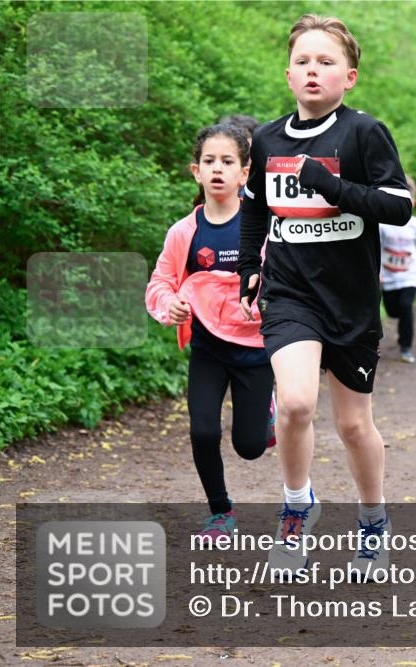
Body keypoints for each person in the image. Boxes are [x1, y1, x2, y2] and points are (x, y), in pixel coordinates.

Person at [237, 14, 412, 581]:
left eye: (327, 62)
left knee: (354, 426)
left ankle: (372, 523)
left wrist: (330, 184)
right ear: (289, 74)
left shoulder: (363, 133)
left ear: (350, 76)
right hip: (289, 292)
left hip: (351, 299)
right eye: (305, 62)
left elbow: (397, 207)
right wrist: (247, 268)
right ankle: (295, 508)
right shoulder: (265, 139)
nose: (315, 70)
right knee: (293, 404)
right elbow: (256, 211)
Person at [145, 123, 276, 544]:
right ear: (195, 172)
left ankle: (267, 409)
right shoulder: (184, 232)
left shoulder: (262, 227)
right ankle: (220, 512)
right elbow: (160, 283)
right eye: (209, 161)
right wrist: (171, 305)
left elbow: (286, 276)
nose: (217, 169)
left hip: (256, 350)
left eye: (227, 161)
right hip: (208, 347)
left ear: (245, 172)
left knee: (251, 447)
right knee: (202, 430)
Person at [379, 175, 416, 363]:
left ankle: (405, 347)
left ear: (413, 203)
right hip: (388, 275)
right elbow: (375, 249)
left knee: (406, 306)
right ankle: (400, 336)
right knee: (393, 311)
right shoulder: (382, 224)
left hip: (410, 274)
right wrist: (377, 272)